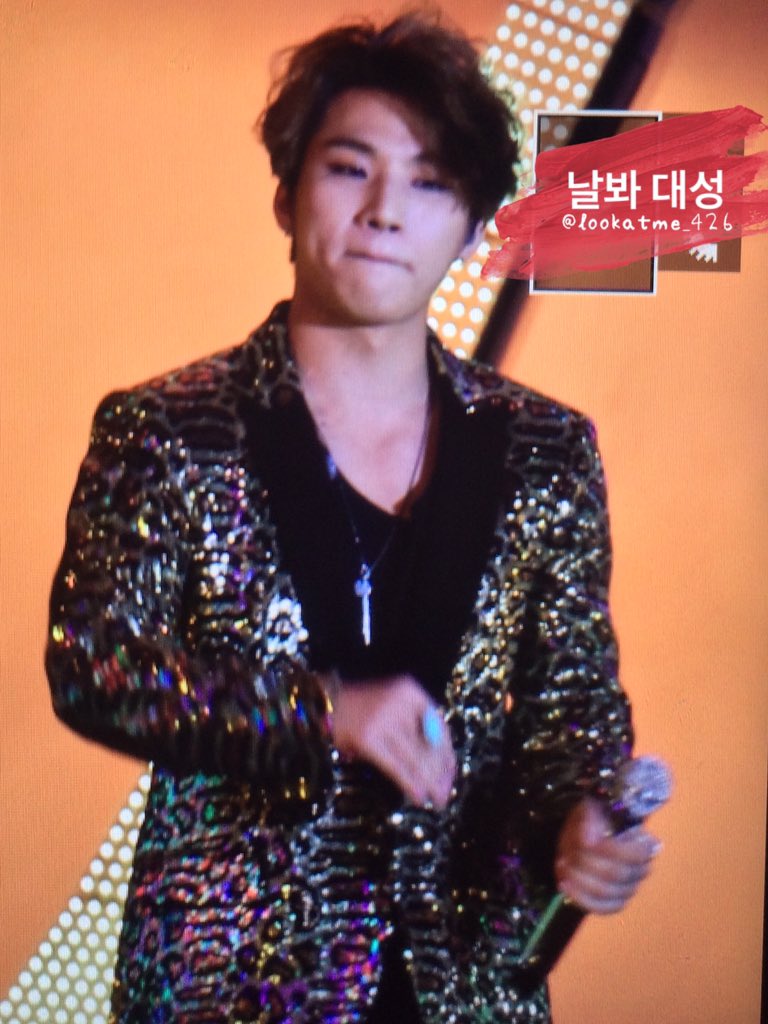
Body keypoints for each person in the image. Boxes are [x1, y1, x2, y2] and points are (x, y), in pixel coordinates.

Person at [46, 11, 660, 1024]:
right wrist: (322, 711)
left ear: (471, 227)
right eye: (349, 169)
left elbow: (572, 709)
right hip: (227, 989)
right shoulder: (169, 429)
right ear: (287, 194)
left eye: (429, 183)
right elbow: (96, 666)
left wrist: (587, 819)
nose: (384, 212)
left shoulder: (545, 450)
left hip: (460, 983)